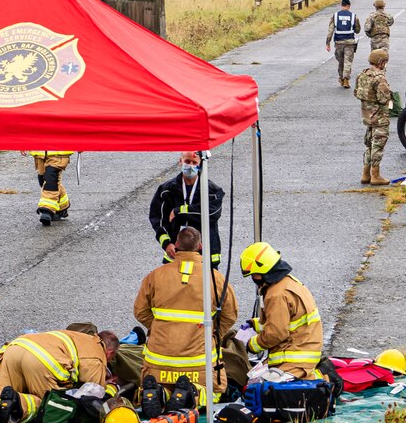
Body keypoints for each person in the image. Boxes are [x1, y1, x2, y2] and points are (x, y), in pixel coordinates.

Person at [133, 226, 237, 403]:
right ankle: (192, 395)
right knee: (215, 393)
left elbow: (140, 311)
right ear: (200, 247)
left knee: (162, 387)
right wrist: (212, 334)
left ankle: (161, 393)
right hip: (199, 364)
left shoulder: (155, 276)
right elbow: (230, 315)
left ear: (175, 246)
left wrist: (159, 328)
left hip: (159, 363)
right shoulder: (215, 278)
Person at [0, 329, 119, 423]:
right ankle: (17, 403)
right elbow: (92, 396)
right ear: (110, 352)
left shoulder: (78, 336)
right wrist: (111, 387)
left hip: (16, 348)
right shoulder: (97, 354)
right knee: (51, 405)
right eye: (111, 358)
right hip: (41, 360)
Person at [236, 242, 322, 380]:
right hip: (304, 354)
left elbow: (276, 333)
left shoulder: (276, 295)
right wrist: (255, 325)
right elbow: (285, 321)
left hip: (293, 361)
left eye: (254, 275)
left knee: (257, 388)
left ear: (263, 271)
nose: (253, 279)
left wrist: (251, 344)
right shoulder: (290, 282)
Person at [149, 152, 225, 268]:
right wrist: (166, 243)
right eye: (187, 161)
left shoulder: (212, 191)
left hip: (205, 254)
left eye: (194, 163)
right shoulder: (166, 190)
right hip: (176, 252)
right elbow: (158, 220)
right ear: (180, 161)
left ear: (201, 164)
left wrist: (179, 211)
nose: (190, 166)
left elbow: (211, 214)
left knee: (206, 286)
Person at [354, 49, 393, 186]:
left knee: (369, 145)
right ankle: (375, 175)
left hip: (368, 116)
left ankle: (365, 174)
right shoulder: (379, 78)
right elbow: (384, 98)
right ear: (381, 62)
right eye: (385, 62)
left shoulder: (362, 75)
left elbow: (355, 92)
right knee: (378, 145)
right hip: (380, 117)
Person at [28, 150, 73, 226]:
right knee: (43, 180)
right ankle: (62, 207)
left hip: (59, 151)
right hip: (40, 150)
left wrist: (82, 144)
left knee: (50, 177)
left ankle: (47, 210)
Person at [325, 0, 360, 89]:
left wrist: (327, 43)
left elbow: (330, 31)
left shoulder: (335, 16)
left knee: (341, 61)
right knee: (348, 61)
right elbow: (357, 30)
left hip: (339, 43)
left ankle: (341, 77)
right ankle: (346, 79)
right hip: (350, 43)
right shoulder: (353, 16)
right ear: (349, 6)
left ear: (341, 5)